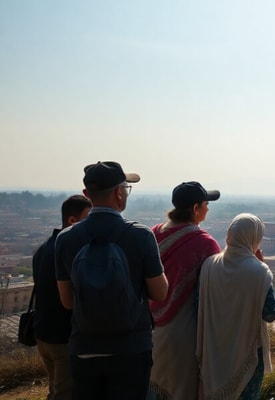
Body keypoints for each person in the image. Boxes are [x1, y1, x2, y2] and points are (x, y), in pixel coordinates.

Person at [55, 161, 169, 399]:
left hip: (85, 346)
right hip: (131, 348)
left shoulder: (66, 239)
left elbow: (67, 302)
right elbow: (159, 293)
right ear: (119, 192)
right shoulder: (140, 235)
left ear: (87, 194)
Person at [148, 182, 221, 400]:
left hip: (149, 327)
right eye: (206, 204)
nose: (208, 208)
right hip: (183, 329)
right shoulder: (204, 244)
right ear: (196, 208)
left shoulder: (153, 235)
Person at [196, 213, 275, 400]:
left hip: (213, 352)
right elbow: (270, 312)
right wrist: (262, 266)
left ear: (229, 235)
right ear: (254, 238)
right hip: (246, 353)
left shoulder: (209, 264)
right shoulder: (259, 271)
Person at [32, 194, 92, 400]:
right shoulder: (68, 250)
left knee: (55, 391)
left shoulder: (43, 249)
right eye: (88, 218)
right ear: (72, 221)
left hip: (43, 334)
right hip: (63, 338)